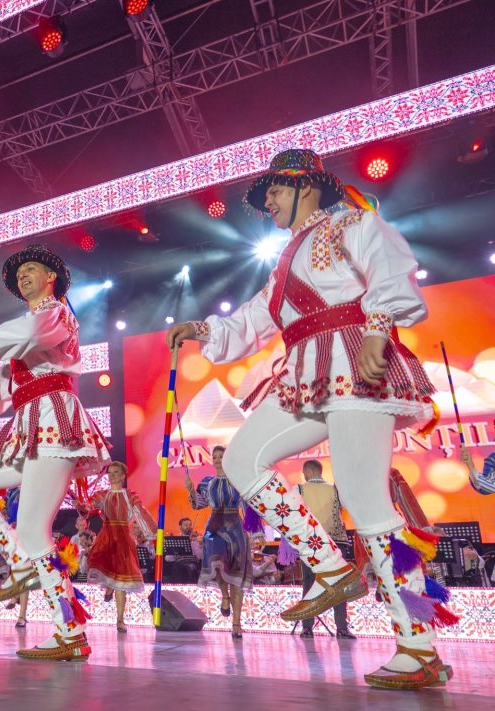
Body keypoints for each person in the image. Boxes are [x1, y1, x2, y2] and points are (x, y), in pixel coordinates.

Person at [167, 149, 455, 689]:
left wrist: (378, 332)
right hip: (304, 374)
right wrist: (203, 330)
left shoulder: (353, 223)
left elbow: (390, 270)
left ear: (307, 187)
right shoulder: (283, 263)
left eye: (276, 191)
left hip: (354, 359)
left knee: (367, 505)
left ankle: (418, 648)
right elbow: (254, 319)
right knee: (243, 459)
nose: (269, 203)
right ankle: (330, 567)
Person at [0, 244, 110, 662]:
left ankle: (70, 632)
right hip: (26, 427)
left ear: (51, 277)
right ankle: (22, 563)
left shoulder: (57, 314)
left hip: (54, 422)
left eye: (31, 268)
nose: (23, 276)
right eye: (19, 273)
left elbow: (29, 334)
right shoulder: (27, 333)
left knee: (33, 530)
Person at [186, 445, 251, 639]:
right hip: (214, 527)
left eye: (220, 456)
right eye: (214, 457)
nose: (216, 460)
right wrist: (191, 491)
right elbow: (198, 505)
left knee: (236, 574)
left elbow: (248, 508)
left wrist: (256, 533)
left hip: (235, 527)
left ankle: (236, 623)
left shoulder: (238, 482)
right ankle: (224, 595)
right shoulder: (207, 482)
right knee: (217, 565)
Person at [84, 461, 155, 633]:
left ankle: (120, 619)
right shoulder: (103, 495)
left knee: (121, 582)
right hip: (106, 536)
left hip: (123, 538)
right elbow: (89, 506)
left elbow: (141, 513)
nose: (112, 475)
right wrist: (82, 506)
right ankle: (109, 588)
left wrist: (153, 534)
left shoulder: (130, 496)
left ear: (123, 475)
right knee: (98, 561)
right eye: (110, 472)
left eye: (116, 472)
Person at [297, 460, 354, 638]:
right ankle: (342, 628)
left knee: (309, 584)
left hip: (310, 543)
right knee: (338, 585)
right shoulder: (335, 490)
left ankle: (307, 628)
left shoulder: (299, 490)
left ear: (307, 471)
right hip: (335, 543)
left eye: (304, 472)